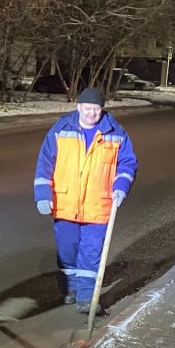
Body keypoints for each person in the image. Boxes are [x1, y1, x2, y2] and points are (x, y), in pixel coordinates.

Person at [34, 86, 138, 316]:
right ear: (78, 106)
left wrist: (121, 186)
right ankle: (69, 287)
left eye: (97, 109)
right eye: (88, 108)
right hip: (65, 204)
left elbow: (127, 163)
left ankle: (86, 297)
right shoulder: (61, 129)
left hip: (99, 206)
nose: (92, 113)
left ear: (102, 109)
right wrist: (43, 195)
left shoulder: (116, 132)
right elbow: (45, 163)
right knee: (67, 250)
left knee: (91, 253)